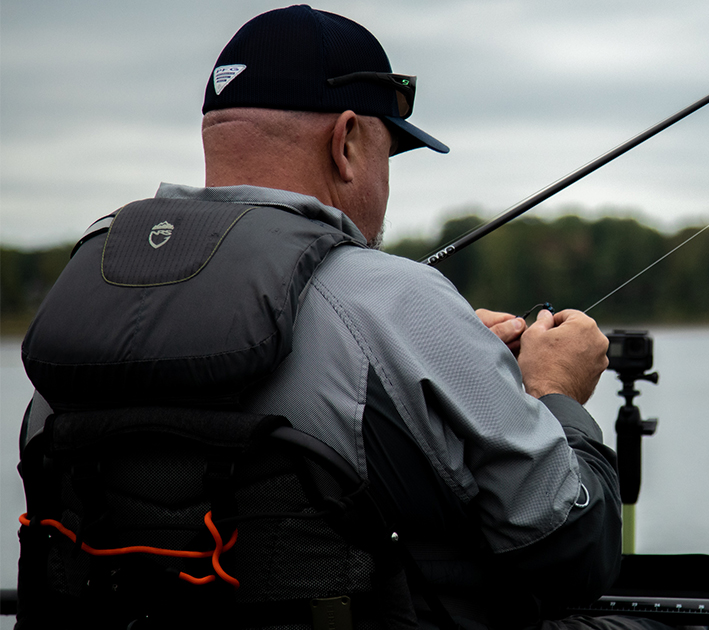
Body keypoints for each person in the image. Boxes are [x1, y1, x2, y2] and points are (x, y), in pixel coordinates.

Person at [18, 6, 662, 630]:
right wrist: (554, 397)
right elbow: (572, 555)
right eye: (389, 153)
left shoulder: (82, 305)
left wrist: (461, 362)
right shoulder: (402, 300)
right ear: (348, 141)